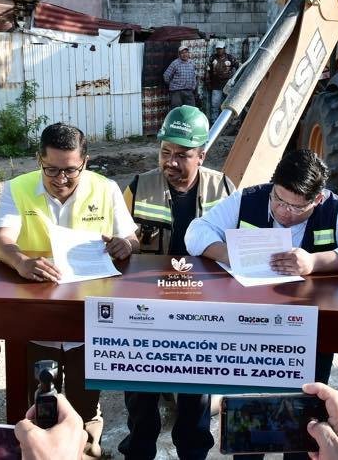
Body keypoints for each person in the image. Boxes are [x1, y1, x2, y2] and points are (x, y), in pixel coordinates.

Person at [185, 148, 338, 458]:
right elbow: (196, 232)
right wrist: (228, 252)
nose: (284, 211)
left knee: (303, 415)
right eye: (279, 199)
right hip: (253, 329)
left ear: (317, 199)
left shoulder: (337, 209)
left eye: (296, 207)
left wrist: (316, 262)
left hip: (310, 335)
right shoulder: (250, 198)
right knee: (250, 411)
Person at [0, 122, 139, 459]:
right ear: (38, 160)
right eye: (51, 170)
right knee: (39, 403)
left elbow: (131, 237)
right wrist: (22, 262)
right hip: (36, 321)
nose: (60, 179)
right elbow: (1, 239)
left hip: (88, 322)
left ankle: (87, 450)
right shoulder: (18, 188)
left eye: (70, 170)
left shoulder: (106, 188)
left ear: (84, 162)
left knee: (86, 405)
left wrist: (124, 245)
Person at [119, 105, 235, 460]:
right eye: (165, 152)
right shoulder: (138, 187)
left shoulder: (226, 188)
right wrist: (125, 244)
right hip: (146, 311)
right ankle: (139, 451)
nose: (170, 162)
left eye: (182, 155)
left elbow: (239, 245)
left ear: (201, 155)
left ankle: (194, 453)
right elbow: (125, 236)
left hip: (201, 312)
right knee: (140, 396)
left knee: (196, 398)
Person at [204, 41, 239, 122]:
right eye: (218, 49)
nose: (219, 50)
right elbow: (207, 71)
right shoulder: (212, 58)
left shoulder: (230, 58)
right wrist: (208, 82)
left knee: (228, 105)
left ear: (224, 49)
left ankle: (226, 123)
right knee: (215, 105)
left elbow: (238, 67)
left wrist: (236, 80)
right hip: (216, 85)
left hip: (228, 85)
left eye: (221, 49)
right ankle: (214, 123)